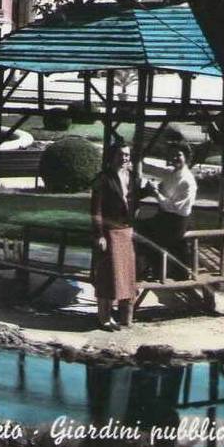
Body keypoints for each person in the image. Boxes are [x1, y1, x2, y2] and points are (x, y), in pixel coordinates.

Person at [90, 141, 139, 331]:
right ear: (112, 157)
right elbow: (96, 211)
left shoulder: (131, 177)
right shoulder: (103, 179)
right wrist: (99, 235)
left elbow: (132, 202)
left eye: (127, 155)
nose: (124, 158)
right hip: (109, 234)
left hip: (126, 233)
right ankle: (104, 319)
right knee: (107, 278)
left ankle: (126, 318)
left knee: (126, 276)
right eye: (120, 155)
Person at [148, 144, 198, 280]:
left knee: (148, 236)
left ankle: (155, 271)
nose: (175, 158)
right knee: (139, 227)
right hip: (165, 217)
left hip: (177, 222)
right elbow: (158, 178)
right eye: (172, 154)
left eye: (179, 155)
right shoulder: (170, 172)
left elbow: (175, 207)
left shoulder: (188, 181)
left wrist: (156, 193)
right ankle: (150, 268)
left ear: (186, 157)